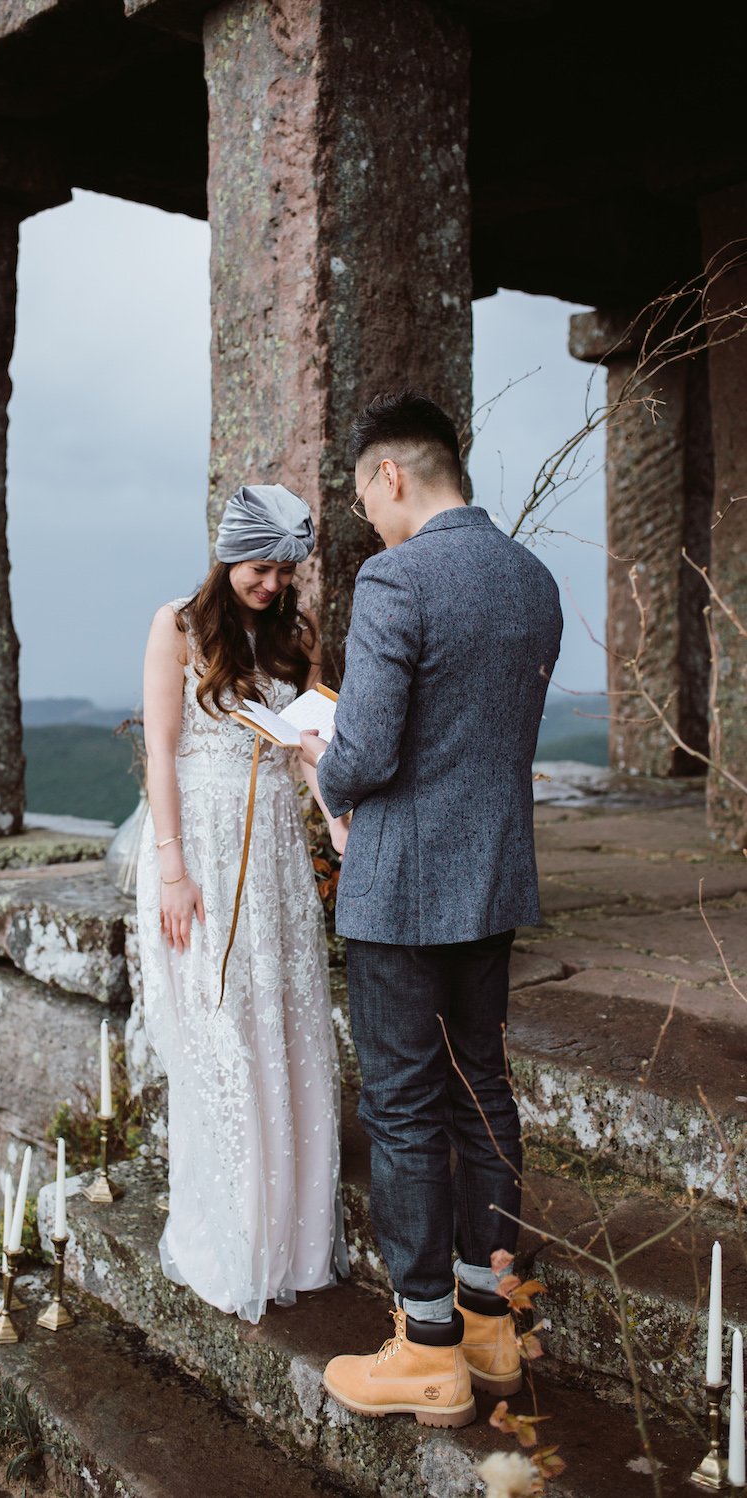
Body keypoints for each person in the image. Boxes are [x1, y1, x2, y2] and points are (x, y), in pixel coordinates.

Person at [298, 389, 562, 1428]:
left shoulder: (396, 577)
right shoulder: (531, 578)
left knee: (404, 1109)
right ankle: (491, 1323)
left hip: (400, 889)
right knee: (482, 1093)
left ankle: (425, 1346)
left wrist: (321, 767)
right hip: (492, 878)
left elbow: (365, 752)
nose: (366, 516)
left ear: (392, 475)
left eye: (363, 495)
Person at [137, 482, 350, 1323]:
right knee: (221, 1030)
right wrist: (173, 870)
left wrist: (338, 822)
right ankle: (229, 1236)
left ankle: (288, 1240)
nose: (273, 583)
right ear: (228, 556)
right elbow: (160, 750)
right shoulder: (177, 627)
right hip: (200, 848)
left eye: (285, 570)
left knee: (280, 1024)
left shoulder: (296, 636)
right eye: (261, 567)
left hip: (272, 855)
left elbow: (309, 750)